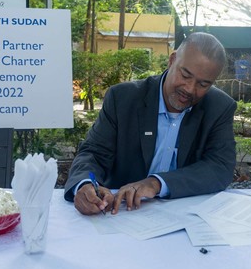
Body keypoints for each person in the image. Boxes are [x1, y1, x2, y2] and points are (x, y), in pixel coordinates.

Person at [64, 32, 236, 216]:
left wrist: (156, 183)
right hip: (121, 216)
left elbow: (219, 167)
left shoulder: (219, 108)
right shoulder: (122, 99)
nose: (189, 89)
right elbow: (93, 153)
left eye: (203, 84)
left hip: (184, 219)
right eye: (185, 75)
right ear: (172, 60)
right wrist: (85, 184)